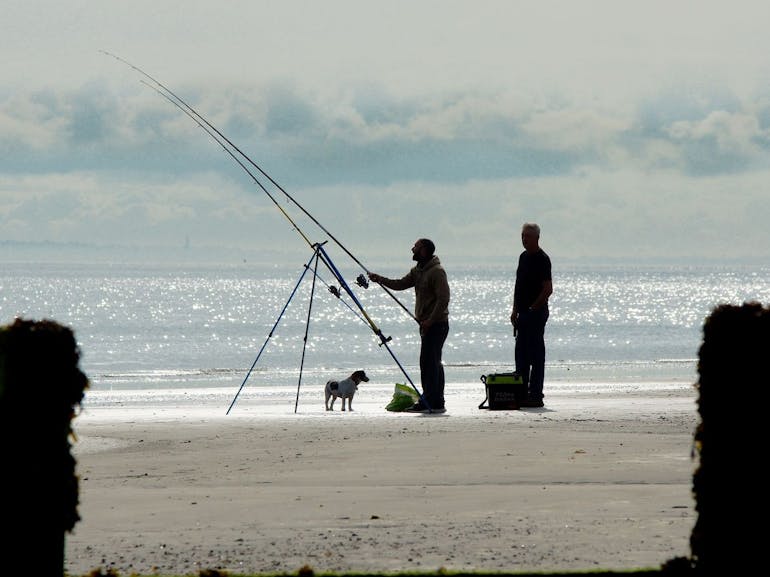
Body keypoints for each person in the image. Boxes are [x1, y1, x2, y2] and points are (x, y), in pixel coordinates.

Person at [368, 238, 450, 414]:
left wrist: (430, 320)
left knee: (429, 363)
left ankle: (431, 400)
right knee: (432, 362)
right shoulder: (418, 271)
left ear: (424, 251)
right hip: (425, 325)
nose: (412, 249)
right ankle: (436, 400)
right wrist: (379, 279)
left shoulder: (437, 272)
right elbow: (400, 284)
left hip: (437, 325)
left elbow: (444, 299)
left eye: (416, 247)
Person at [510, 223, 552, 408]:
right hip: (522, 312)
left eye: (527, 236)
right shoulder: (523, 257)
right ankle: (522, 392)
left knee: (536, 354)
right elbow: (518, 286)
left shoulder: (542, 259)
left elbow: (548, 289)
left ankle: (536, 394)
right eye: (522, 235)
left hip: (536, 313)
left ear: (536, 238)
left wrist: (533, 309)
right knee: (521, 354)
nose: (524, 239)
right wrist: (514, 310)